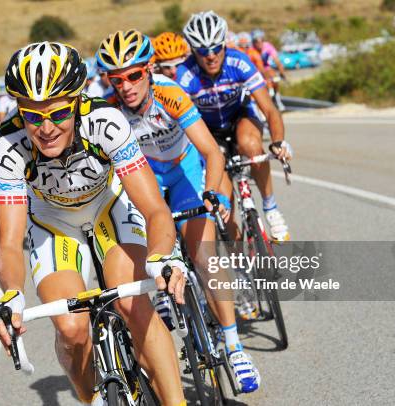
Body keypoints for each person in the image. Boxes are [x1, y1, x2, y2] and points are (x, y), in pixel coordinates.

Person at [0, 41, 186, 406]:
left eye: (58, 114)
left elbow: (155, 209)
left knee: (133, 305)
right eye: (32, 116)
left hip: (107, 209)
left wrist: (162, 255)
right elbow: (10, 244)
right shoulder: (8, 147)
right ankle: (90, 397)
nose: (45, 128)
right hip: (54, 224)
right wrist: (11, 293)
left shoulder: (105, 122)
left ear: (77, 102)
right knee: (72, 327)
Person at [96, 29, 260, 394]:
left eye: (134, 75)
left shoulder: (170, 95)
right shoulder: (109, 113)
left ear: (149, 70)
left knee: (205, 256)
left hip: (185, 171)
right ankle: (164, 299)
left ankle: (234, 348)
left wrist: (211, 192)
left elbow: (212, 152)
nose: (126, 86)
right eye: (116, 79)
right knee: (149, 250)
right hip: (148, 179)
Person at [178, 10, 292, 242]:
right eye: (202, 51)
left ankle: (270, 207)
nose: (211, 56)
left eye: (216, 48)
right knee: (223, 203)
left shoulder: (238, 61)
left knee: (251, 146)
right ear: (193, 51)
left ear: (224, 45)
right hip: (208, 131)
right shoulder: (184, 75)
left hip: (240, 118)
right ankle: (241, 266)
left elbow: (269, 109)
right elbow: (181, 124)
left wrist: (278, 142)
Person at [251, 29, 287, 111]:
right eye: (256, 41)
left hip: (266, 68)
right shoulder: (251, 50)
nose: (259, 43)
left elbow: (277, 61)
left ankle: (277, 98)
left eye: (261, 41)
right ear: (253, 42)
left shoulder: (268, 46)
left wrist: (282, 72)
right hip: (256, 70)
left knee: (274, 76)